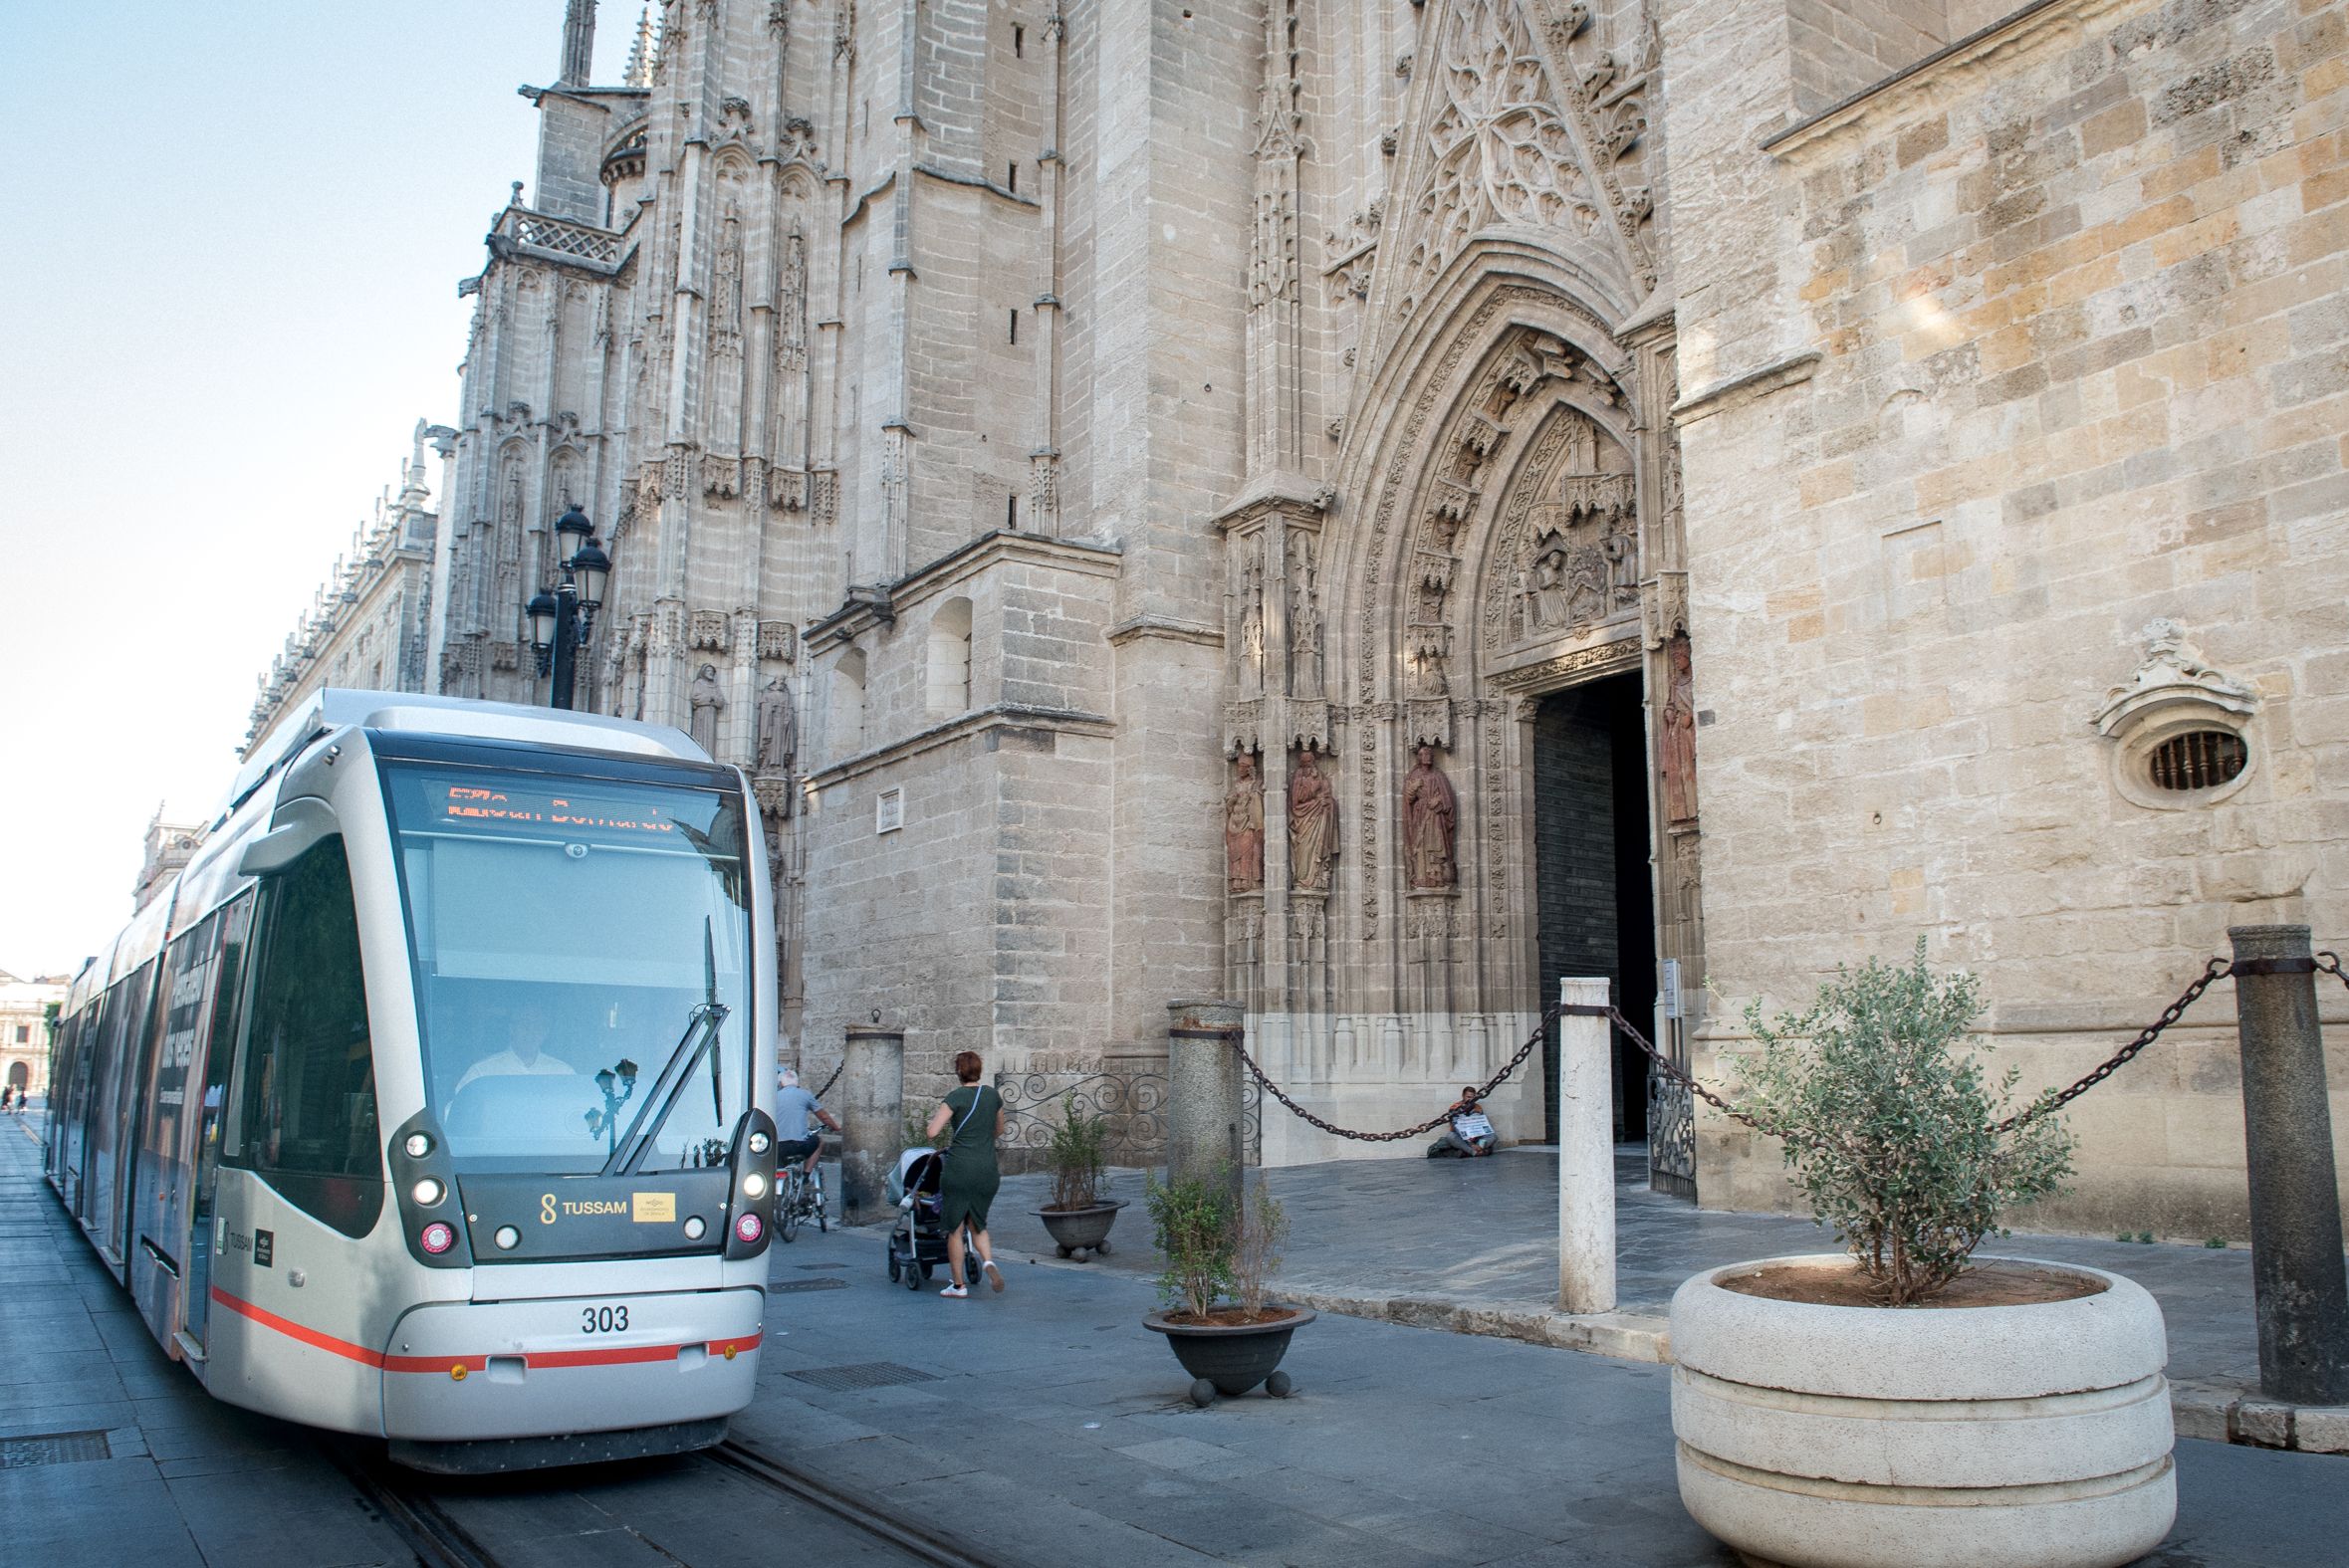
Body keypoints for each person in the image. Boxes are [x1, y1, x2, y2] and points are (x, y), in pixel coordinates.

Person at [925, 1050, 1005, 1298]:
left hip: (959, 1169)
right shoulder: (992, 1095)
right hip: (987, 1169)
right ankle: (988, 1261)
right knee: (978, 1223)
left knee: (955, 1229)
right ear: (979, 1070)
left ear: (959, 1072)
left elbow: (932, 1132)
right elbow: (999, 1129)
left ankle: (958, 1286)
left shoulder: (955, 1097)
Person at [454, 1011, 575, 1095]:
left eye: (538, 1026)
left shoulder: (564, 1072)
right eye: (525, 1024)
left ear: (546, 1032)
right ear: (512, 1028)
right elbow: (456, 1112)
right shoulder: (482, 1072)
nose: (531, 1031)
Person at [774, 1066, 839, 1180]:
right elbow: (824, 1116)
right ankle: (806, 1175)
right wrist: (835, 1127)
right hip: (799, 1145)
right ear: (797, 1083)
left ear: (780, 1083)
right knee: (819, 1141)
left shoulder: (773, 1097)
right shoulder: (805, 1095)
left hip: (778, 1146)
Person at [1427, 1086, 1497, 1158]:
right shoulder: (1454, 1108)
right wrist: (1471, 1144)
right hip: (1462, 1138)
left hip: (1477, 1137)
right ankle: (1474, 1152)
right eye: (1468, 1097)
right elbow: (1456, 1128)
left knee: (1493, 1136)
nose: (1470, 1099)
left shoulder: (1478, 1107)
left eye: (1473, 1097)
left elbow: (1482, 1124)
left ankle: (1475, 1149)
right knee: (1450, 1136)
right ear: (1463, 1096)